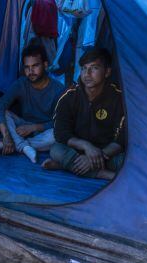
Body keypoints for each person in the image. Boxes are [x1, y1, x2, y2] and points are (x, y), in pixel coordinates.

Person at [42, 48, 125, 180]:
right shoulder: (68, 96)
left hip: (106, 152)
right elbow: (61, 133)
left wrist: (96, 155)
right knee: (56, 150)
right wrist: (87, 146)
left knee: (127, 160)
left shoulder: (119, 98)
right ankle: (104, 174)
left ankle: (66, 165)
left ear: (107, 72)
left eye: (94, 68)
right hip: (78, 149)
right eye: (84, 68)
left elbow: (121, 139)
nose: (87, 74)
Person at [0, 44, 65, 162]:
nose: (31, 71)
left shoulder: (58, 89)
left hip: (43, 131)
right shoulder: (21, 84)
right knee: (4, 112)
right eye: (27, 67)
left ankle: (18, 145)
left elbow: (61, 122)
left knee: (56, 135)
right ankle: (23, 146)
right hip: (22, 127)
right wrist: (6, 135)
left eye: (35, 66)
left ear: (45, 65)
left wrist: (34, 127)